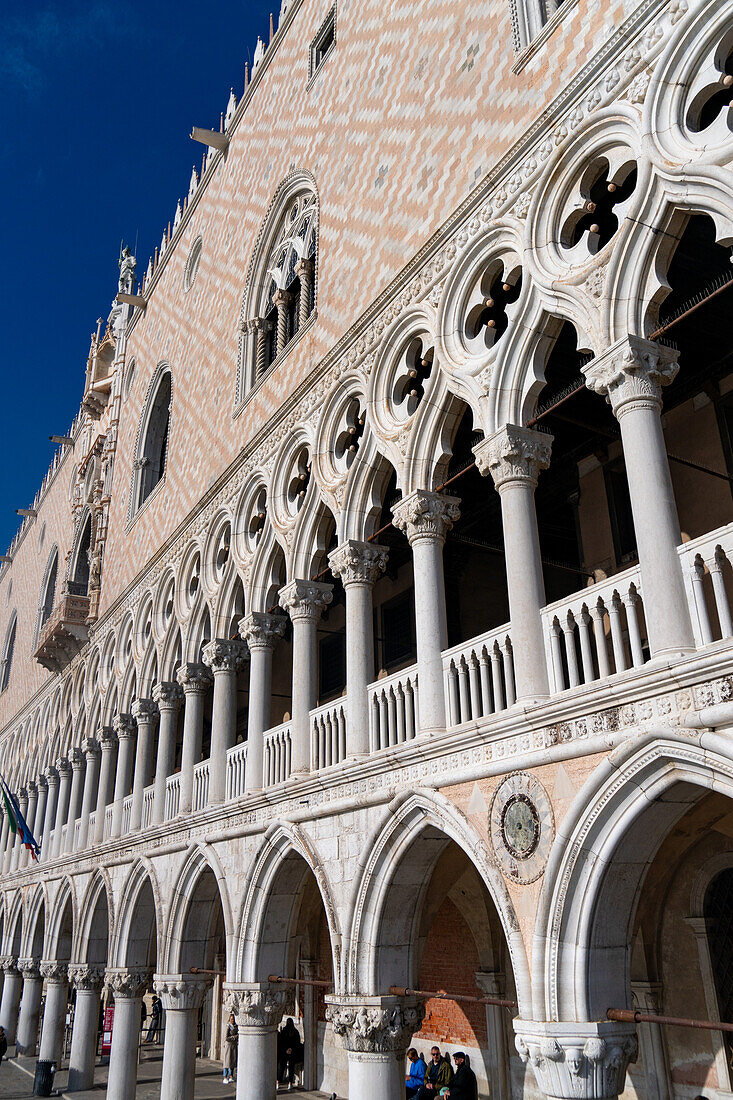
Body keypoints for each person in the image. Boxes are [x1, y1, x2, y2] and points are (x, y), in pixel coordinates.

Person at [277, 1017, 304, 1089]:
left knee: (282, 1067)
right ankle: (290, 1083)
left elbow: (281, 1042)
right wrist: (291, 1049)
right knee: (291, 1067)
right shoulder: (295, 1032)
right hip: (292, 1053)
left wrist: (286, 1049)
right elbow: (297, 1043)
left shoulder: (284, 1031)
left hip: (284, 1053)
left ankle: (278, 1082)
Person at [223, 1012, 238, 1084]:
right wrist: (234, 1037)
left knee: (232, 1061)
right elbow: (226, 1037)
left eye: (233, 1019)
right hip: (229, 1045)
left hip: (234, 1045)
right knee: (227, 1061)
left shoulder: (235, 1026)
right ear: (229, 1019)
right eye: (231, 1019)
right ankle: (225, 1076)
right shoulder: (228, 1026)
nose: (232, 1020)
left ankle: (231, 1076)